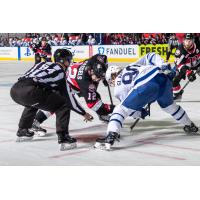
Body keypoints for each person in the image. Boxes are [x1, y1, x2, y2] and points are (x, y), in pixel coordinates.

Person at [94, 53, 199, 150]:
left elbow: (131, 110)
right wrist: (163, 65)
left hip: (145, 86)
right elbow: (150, 56)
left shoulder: (118, 88)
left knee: (120, 109)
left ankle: (111, 135)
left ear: (112, 78)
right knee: (170, 107)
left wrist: (140, 113)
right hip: (162, 78)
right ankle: (190, 125)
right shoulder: (131, 65)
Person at [10, 49, 93, 151]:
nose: (70, 63)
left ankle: (23, 130)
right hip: (31, 91)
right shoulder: (61, 72)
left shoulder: (42, 63)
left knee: (33, 102)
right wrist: (83, 113)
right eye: (69, 60)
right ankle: (63, 137)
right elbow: (69, 98)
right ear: (64, 61)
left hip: (15, 90)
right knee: (63, 104)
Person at [31, 54, 115, 136]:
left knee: (95, 95)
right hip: (63, 83)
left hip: (69, 77)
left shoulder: (92, 61)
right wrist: (114, 108)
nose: (98, 79)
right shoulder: (85, 83)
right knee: (56, 104)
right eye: (97, 77)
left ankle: (102, 115)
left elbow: (102, 56)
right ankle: (35, 121)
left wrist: (104, 73)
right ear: (91, 71)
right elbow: (92, 104)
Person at [172, 33, 200, 101]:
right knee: (174, 80)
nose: (187, 43)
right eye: (186, 40)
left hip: (197, 64)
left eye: (189, 41)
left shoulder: (198, 45)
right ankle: (177, 94)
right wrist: (188, 73)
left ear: (193, 41)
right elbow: (179, 64)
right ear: (183, 40)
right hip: (184, 66)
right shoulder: (180, 50)